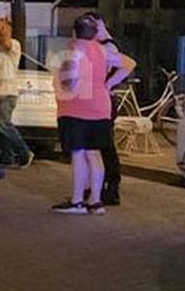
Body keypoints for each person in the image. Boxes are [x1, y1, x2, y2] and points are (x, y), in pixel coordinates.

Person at [51, 13, 130, 215]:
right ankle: (95, 201)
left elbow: (69, 80)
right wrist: (108, 83)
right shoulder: (103, 51)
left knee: (78, 154)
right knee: (94, 153)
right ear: (95, 33)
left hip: (76, 108)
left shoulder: (74, 49)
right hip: (101, 108)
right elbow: (129, 64)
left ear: (75, 32)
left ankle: (77, 201)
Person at [90, 14, 135, 206]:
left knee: (105, 147)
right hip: (99, 100)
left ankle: (111, 188)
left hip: (104, 101)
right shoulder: (101, 46)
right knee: (99, 146)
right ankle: (99, 187)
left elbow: (128, 64)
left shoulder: (107, 47)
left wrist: (108, 84)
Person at [0, 15, 34, 167]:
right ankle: (7, 156)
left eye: (2, 27)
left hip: (6, 92)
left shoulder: (13, 44)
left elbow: (5, 41)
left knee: (3, 124)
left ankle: (24, 152)